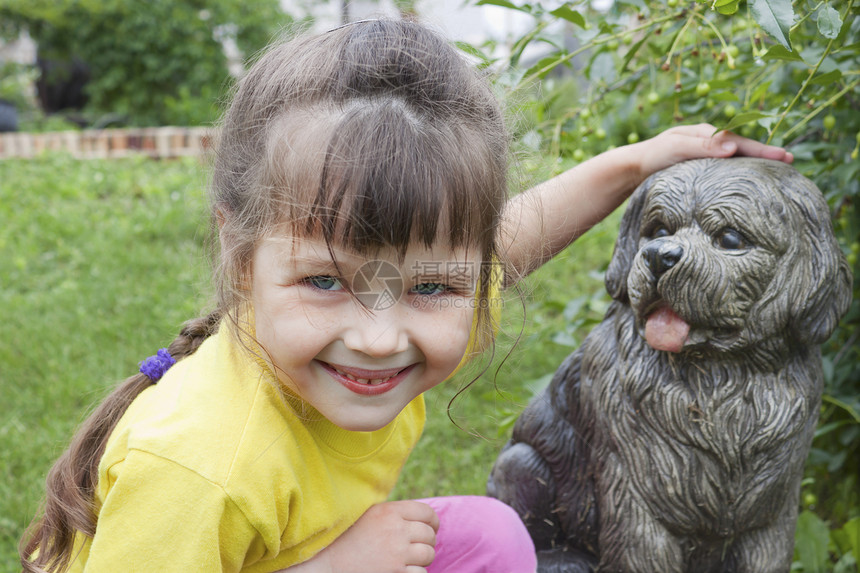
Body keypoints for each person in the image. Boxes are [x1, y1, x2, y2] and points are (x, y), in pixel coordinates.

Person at [20, 18, 792, 573]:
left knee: (490, 536)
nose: (381, 337)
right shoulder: (199, 465)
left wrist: (635, 162)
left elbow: (510, 239)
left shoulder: (358, 333)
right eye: (326, 280)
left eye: (429, 286)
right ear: (238, 250)